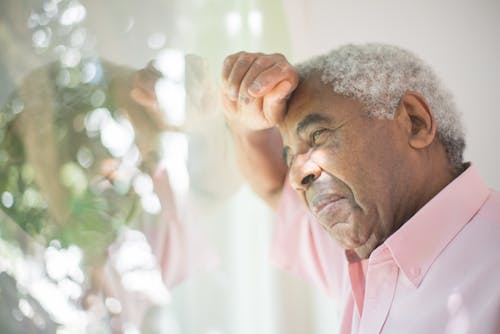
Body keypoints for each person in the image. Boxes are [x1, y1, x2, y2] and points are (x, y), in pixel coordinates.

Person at [221, 43, 500, 333]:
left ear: (414, 122)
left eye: (317, 135)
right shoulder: (360, 241)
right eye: (290, 157)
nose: (296, 177)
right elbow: (271, 186)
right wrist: (242, 116)